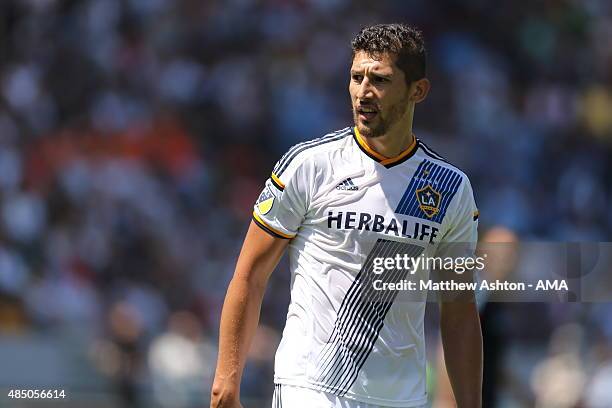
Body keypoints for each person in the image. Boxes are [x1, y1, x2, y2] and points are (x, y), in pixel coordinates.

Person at [211, 23, 482, 408]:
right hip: (310, 389)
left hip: (400, 399)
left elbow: (458, 310)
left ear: (417, 90)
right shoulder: (308, 165)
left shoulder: (449, 188)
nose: (363, 92)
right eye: (357, 77)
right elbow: (249, 276)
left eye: (381, 80)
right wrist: (226, 380)